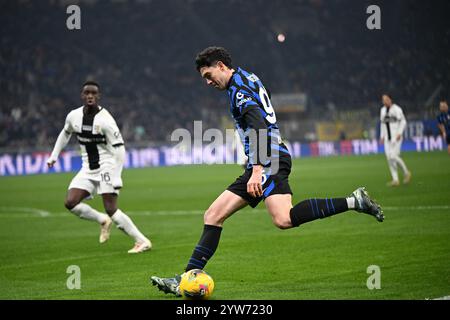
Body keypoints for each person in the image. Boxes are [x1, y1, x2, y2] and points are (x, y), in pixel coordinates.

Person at [150, 47, 384, 296]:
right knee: (214, 215)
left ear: (220, 65)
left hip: (268, 160)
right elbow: (263, 110)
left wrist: (256, 170)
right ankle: (185, 278)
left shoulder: (238, 92)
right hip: (269, 157)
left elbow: (259, 126)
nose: (208, 82)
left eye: (208, 75)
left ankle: (354, 201)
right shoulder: (248, 78)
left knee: (281, 218)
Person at [47, 81, 151, 253]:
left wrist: (117, 175)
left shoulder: (106, 121)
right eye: (87, 93)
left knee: (111, 208)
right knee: (70, 202)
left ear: (98, 96)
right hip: (87, 168)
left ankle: (141, 241)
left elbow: (119, 149)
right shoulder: (73, 116)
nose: (90, 96)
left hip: (107, 167)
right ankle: (101, 220)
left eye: (93, 93)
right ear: (82, 95)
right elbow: (65, 133)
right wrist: (54, 155)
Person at [379, 94, 412, 186]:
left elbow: (403, 121)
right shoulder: (382, 110)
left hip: (396, 137)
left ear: (390, 99)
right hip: (387, 138)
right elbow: (382, 124)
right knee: (389, 159)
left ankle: (406, 172)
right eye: (383, 100)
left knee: (393, 156)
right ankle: (395, 180)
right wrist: (382, 136)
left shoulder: (397, 109)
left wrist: (399, 133)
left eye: (386, 99)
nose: (384, 101)